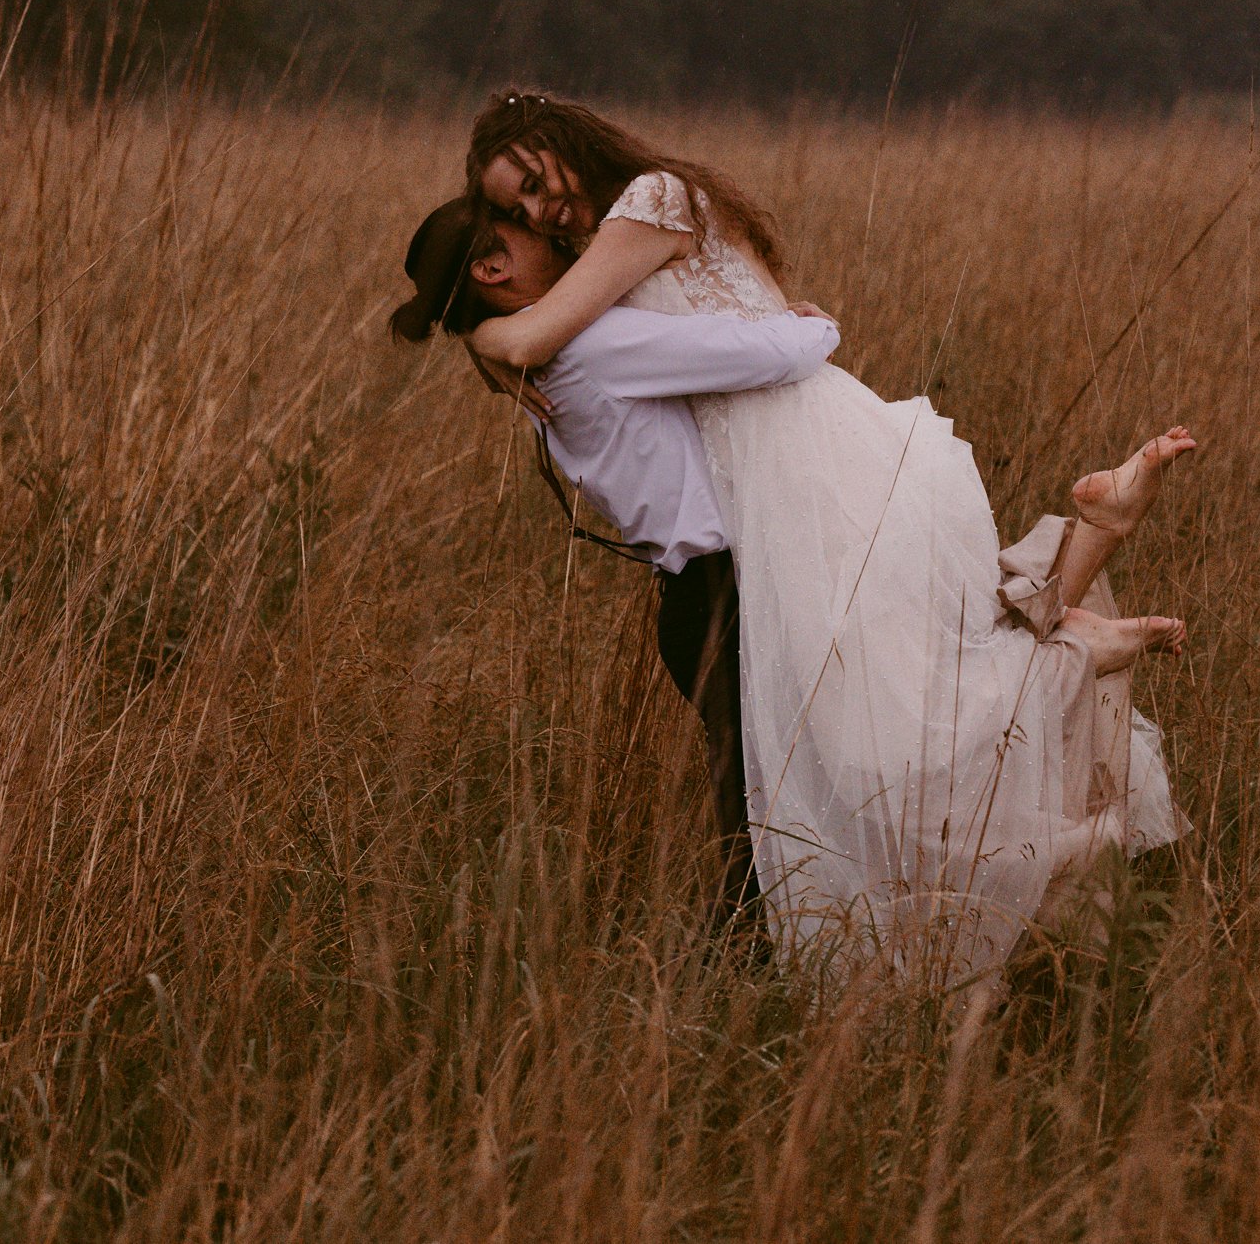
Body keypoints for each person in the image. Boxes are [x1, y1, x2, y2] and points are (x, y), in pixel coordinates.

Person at [460, 89, 1197, 989]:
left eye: (533, 182)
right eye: (512, 210)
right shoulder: (633, 227)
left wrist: (475, 332)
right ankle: (1071, 599)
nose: (537, 211)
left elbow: (535, 332)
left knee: (883, 730)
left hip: (792, 464)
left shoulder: (650, 199)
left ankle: (1069, 635)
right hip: (793, 457)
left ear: (565, 140)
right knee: (889, 708)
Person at [389, 196, 842, 950]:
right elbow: (781, 356)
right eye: (524, 230)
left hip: (703, 598)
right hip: (722, 594)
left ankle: (757, 955)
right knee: (765, 809)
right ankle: (747, 964)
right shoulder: (589, 346)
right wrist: (814, 324)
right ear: (493, 268)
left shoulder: (535, 351)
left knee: (763, 797)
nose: (557, 234)